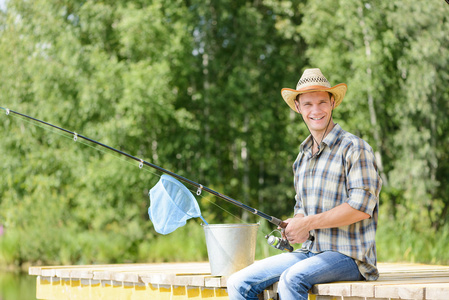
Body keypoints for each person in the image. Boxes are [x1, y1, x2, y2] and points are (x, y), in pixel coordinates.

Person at [227, 68, 382, 300]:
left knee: (292, 280)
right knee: (238, 282)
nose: (316, 110)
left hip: (350, 257)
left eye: (322, 102)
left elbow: (361, 208)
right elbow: (301, 210)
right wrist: (295, 225)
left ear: (333, 103)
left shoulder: (355, 148)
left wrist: (309, 222)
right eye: (308, 104)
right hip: (309, 253)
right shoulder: (301, 158)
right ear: (298, 107)